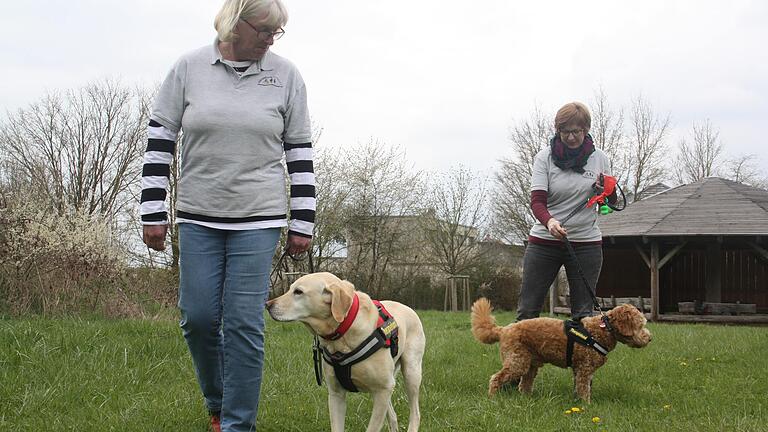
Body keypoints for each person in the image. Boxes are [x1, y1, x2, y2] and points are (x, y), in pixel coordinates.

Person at [139, 1, 315, 430]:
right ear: (235, 24)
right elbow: (160, 139)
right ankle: (218, 403)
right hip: (198, 215)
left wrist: (302, 219)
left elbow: (300, 150)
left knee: (242, 323)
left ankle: (238, 425)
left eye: (278, 33)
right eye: (265, 30)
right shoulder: (188, 68)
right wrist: (152, 210)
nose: (271, 39)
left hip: (258, 217)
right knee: (197, 318)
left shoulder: (286, 75)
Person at [517, 102, 613, 322]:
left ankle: (579, 356)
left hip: (585, 242)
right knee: (528, 310)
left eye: (576, 131)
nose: (570, 137)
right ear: (557, 130)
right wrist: (550, 222)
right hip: (545, 240)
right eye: (565, 132)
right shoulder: (544, 158)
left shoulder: (600, 159)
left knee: (583, 315)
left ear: (586, 130)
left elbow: (611, 199)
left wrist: (605, 190)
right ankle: (521, 356)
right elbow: (537, 202)